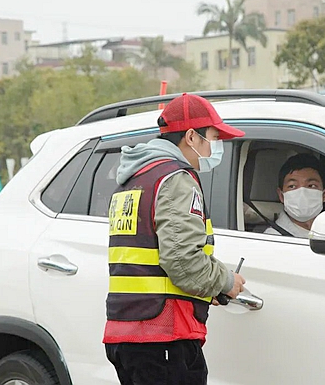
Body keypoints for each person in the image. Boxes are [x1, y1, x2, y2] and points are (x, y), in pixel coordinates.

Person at [104, 93, 246, 385]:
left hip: (128, 334)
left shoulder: (134, 178)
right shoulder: (175, 178)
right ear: (191, 137)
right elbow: (182, 262)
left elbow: (148, 261)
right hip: (164, 336)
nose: (216, 147)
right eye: (213, 138)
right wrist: (226, 281)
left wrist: (206, 290)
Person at [264, 153, 325, 238]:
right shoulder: (272, 238)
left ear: (324, 194)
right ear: (281, 196)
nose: (302, 193)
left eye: (311, 185)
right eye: (292, 186)